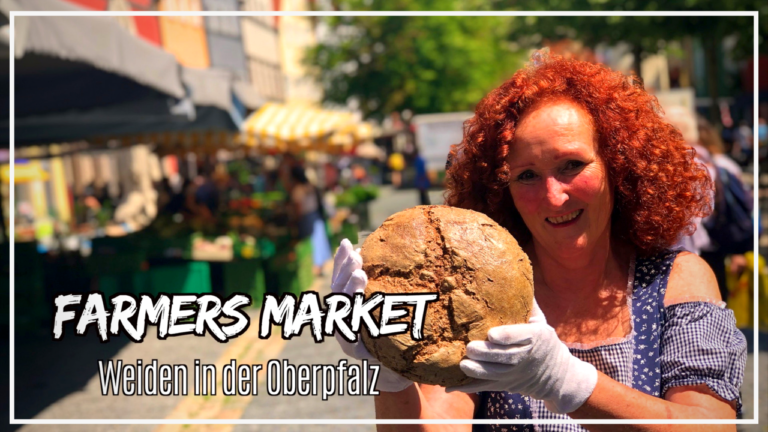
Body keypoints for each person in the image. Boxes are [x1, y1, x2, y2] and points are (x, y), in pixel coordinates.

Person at [331, 52, 746, 431]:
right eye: (527, 175)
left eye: (572, 165)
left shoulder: (675, 280)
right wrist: (389, 372)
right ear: (502, 189)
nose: (553, 195)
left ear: (618, 167)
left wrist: (564, 381)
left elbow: (712, 424)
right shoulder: (479, 295)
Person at [290, 165, 332, 275]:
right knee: (319, 240)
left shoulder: (298, 189)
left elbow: (298, 207)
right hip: (316, 215)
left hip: (307, 217)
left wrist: (296, 220)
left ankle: (316, 267)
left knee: (312, 242)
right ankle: (321, 265)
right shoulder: (310, 186)